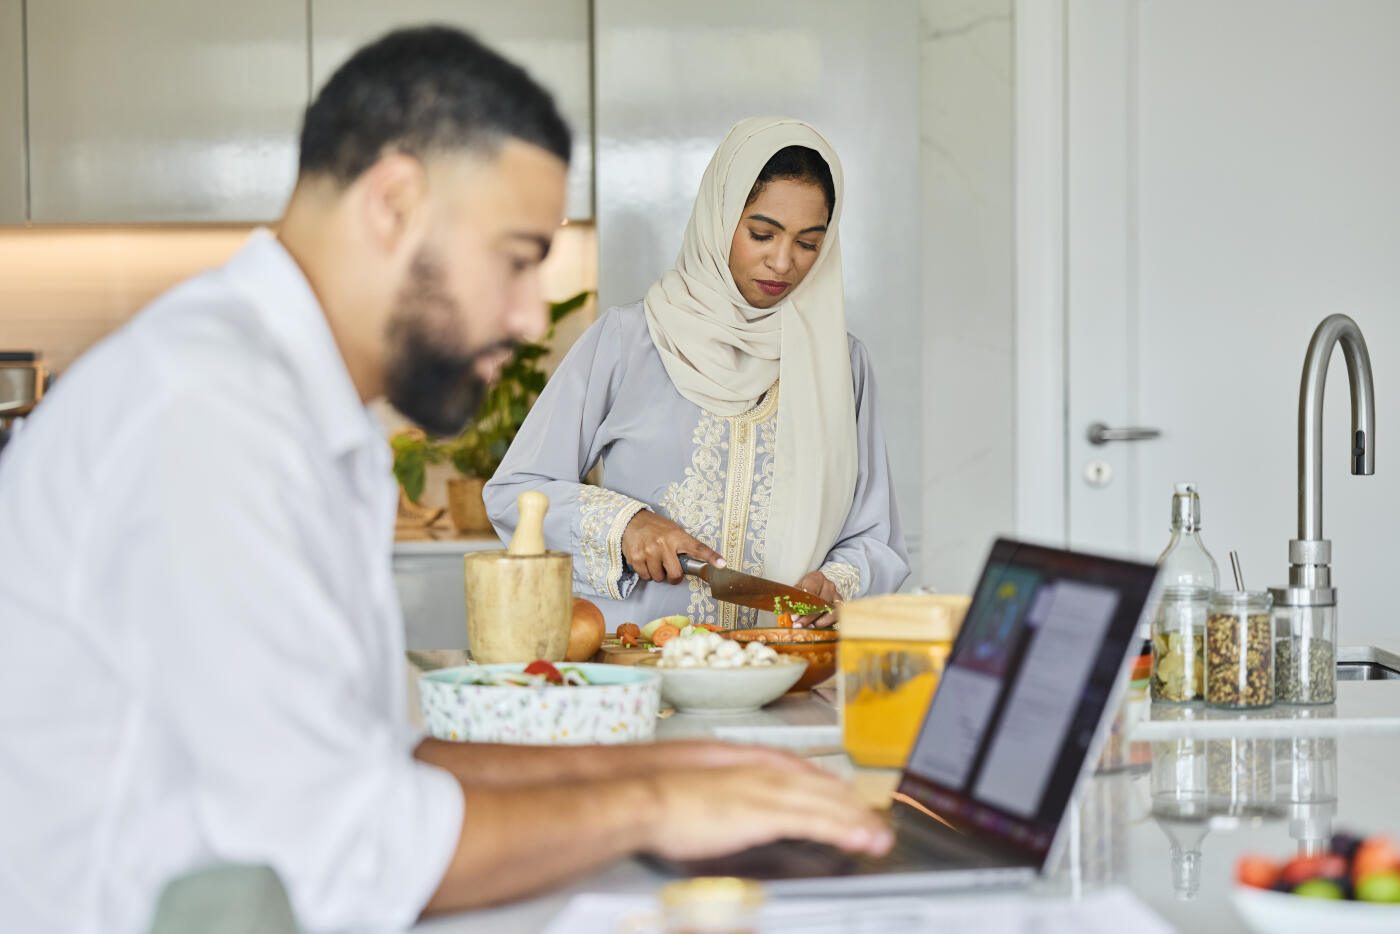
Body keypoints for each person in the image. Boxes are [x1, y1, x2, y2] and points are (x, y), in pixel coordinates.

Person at [0, 28, 891, 934]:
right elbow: (347, 852)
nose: (520, 315)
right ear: (393, 203)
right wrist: (657, 808)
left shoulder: (288, 409)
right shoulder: (205, 414)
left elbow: (386, 763)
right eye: (514, 258)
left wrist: (675, 772)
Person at [485, 118, 908, 631]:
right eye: (761, 233)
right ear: (718, 218)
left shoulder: (842, 365)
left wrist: (838, 581)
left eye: (808, 243)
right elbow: (516, 490)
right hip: (641, 675)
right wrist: (624, 526)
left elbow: (875, 536)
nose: (782, 262)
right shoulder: (628, 340)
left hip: (784, 674)